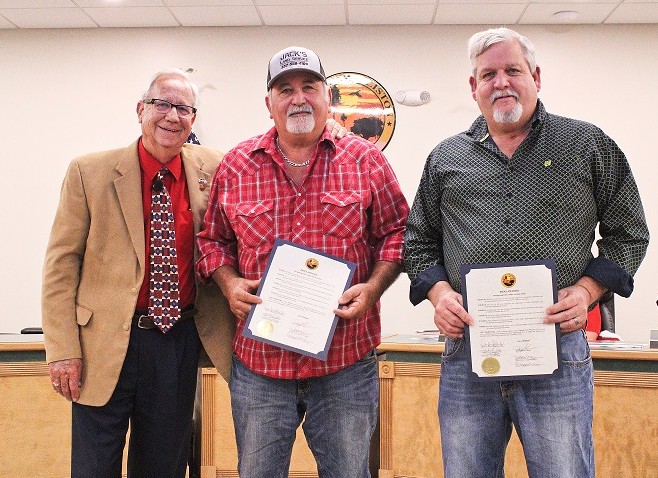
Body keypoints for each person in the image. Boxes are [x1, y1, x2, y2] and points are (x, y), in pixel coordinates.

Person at [403, 27, 649, 478]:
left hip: (557, 351)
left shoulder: (587, 145)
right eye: (488, 74)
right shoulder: (446, 158)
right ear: (472, 88)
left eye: (512, 70)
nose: (501, 83)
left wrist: (587, 291)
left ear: (535, 76)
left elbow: (629, 232)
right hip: (468, 352)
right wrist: (439, 295)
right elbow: (418, 241)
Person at [196, 46, 409, 477]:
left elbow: (398, 233)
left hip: (344, 364)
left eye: (309, 87)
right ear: (268, 103)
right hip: (260, 366)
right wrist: (229, 283)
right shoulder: (236, 165)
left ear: (327, 98)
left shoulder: (365, 160)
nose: (298, 98)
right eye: (285, 89)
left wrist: (373, 288)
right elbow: (211, 241)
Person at [41, 68, 236, 478]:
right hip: (102, 346)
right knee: (95, 467)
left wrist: (332, 133)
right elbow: (61, 265)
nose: (171, 116)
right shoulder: (89, 172)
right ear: (140, 110)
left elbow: (266, 160)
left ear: (193, 119)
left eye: (183, 108)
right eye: (161, 104)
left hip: (176, 341)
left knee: (163, 467)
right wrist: (63, 349)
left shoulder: (216, 167)